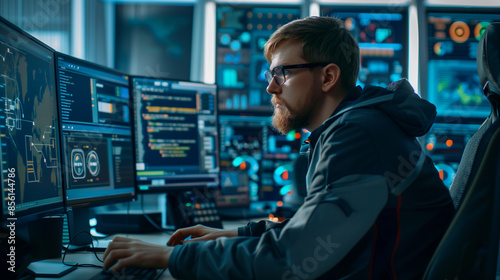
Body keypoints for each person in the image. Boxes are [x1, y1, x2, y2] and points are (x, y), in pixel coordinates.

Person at [103, 16, 455, 279]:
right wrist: (233, 234)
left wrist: (169, 258)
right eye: (269, 75)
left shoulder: (357, 136)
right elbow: (314, 229)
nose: (272, 89)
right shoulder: (359, 126)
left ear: (328, 77)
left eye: (281, 74)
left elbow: (291, 258)